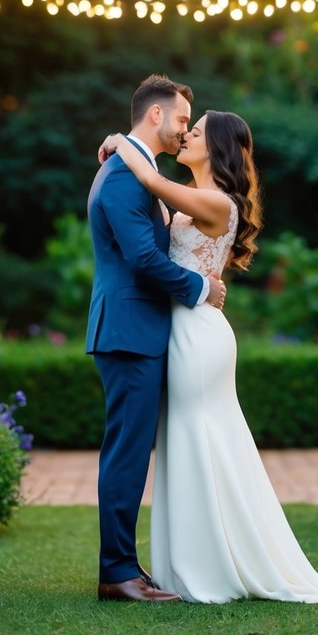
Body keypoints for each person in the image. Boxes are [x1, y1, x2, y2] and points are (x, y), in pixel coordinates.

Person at [99, 111, 318, 604]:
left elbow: (146, 175)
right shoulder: (191, 201)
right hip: (183, 326)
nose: (186, 135)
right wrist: (119, 142)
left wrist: (119, 140)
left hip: (198, 335)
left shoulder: (216, 202)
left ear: (217, 148)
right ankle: (190, 561)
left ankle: (208, 565)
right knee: (187, 439)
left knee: (200, 438)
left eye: (197, 131)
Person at [86, 74, 226, 603]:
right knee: (126, 454)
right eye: (183, 121)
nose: (184, 130)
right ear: (155, 116)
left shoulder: (128, 168)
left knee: (130, 451)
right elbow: (143, 259)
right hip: (128, 331)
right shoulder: (123, 177)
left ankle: (124, 566)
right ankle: (117, 574)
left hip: (135, 329)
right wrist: (201, 287)